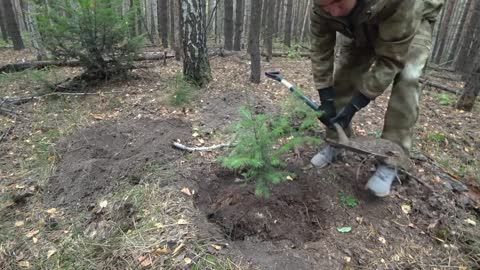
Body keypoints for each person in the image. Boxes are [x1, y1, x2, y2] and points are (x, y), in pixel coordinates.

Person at [309, 0, 444, 196]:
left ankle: (392, 159)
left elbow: (391, 59)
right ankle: (337, 140)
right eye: (325, 6)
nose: (332, 12)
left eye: (337, 3)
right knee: (346, 71)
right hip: (361, 23)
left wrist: (355, 104)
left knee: (407, 78)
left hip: (409, 21)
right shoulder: (323, 7)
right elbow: (320, 49)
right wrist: (326, 96)